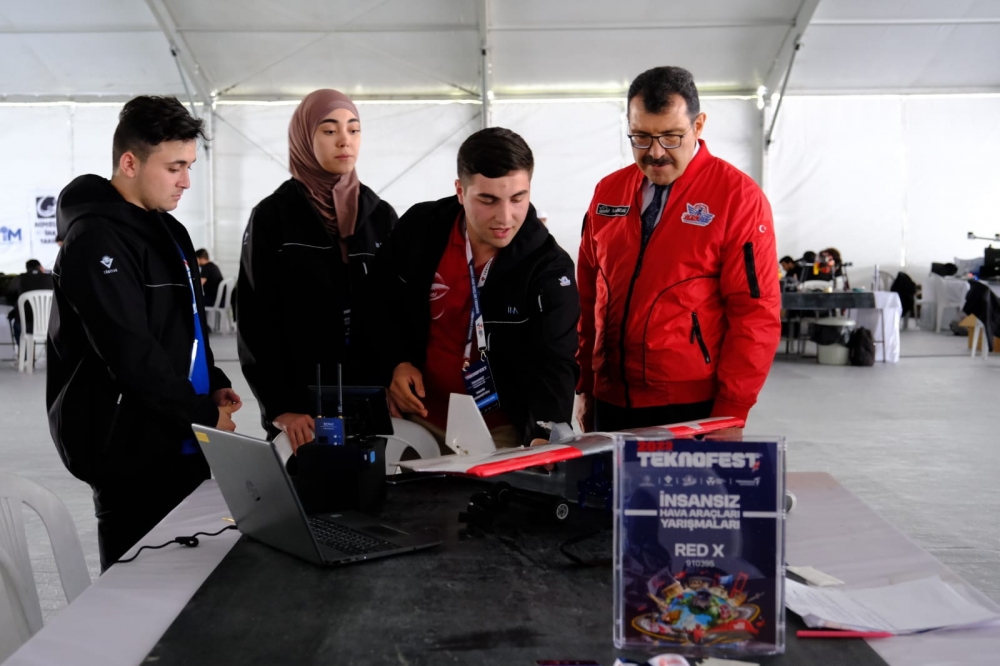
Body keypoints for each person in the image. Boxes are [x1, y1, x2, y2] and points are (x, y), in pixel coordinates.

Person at [46, 96, 240, 571]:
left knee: (191, 583)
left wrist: (212, 383)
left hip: (183, 437)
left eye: (189, 166)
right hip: (129, 452)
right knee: (135, 590)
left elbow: (185, 328)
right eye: (175, 167)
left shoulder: (170, 232)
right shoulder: (94, 240)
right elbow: (130, 353)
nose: (185, 181)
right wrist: (202, 415)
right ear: (130, 163)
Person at [576, 66, 780, 432]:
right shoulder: (608, 192)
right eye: (641, 137)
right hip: (610, 399)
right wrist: (585, 385)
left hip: (690, 406)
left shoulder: (738, 198)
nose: (655, 153)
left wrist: (731, 411)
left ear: (698, 126)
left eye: (671, 137)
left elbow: (755, 313)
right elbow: (588, 295)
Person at [375, 127, 579, 449]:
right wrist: (395, 363)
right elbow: (380, 302)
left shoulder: (549, 267)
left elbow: (556, 360)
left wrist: (545, 432)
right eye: (488, 200)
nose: (505, 217)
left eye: (518, 198)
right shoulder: (420, 227)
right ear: (460, 191)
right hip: (415, 418)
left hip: (500, 432)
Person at [238, 89, 397, 450]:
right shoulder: (273, 217)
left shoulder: (381, 216)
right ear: (303, 139)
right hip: (301, 411)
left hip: (373, 404)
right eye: (329, 130)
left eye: (354, 130)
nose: (345, 140)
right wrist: (279, 407)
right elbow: (255, 319)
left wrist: (394, 376)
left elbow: (396, 311)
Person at [5, 259, 54, 344]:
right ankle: (50, 351)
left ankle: (24, 352)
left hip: (25, 326)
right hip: (50, 326)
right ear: (41, 268)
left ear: (27, 269)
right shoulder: (52, 279)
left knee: (17, 325)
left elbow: (9, 293)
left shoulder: (20, 278)